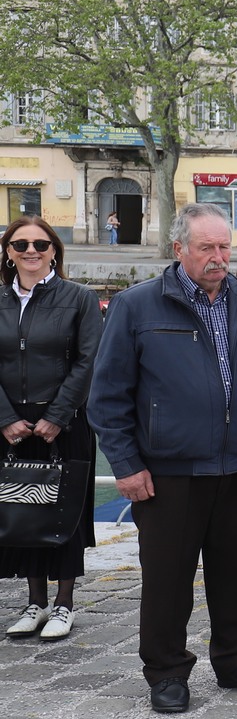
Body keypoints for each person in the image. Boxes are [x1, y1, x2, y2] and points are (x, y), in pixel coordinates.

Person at [89, 204, 237, 714]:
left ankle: (236, 658)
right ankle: (166, 671)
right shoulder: (137, 307)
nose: (219, 258)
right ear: (180, 249)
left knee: (234, 569)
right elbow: (108, 396)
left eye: (225, 247)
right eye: (207, 248)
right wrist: (126, 465)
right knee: (167, 577)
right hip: (167, 468)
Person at [1, 217, 102, 643]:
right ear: (8, 251)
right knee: (21, 511)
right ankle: (34, 602)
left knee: (64, 515)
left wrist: (56, 416)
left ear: (54, 251)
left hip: (64, 424)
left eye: (40, 244)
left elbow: (88, 361)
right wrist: (5, 419)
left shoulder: (79, 298)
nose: (31, 251)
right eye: (20, 243)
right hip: (11, 427)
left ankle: (64, 604)